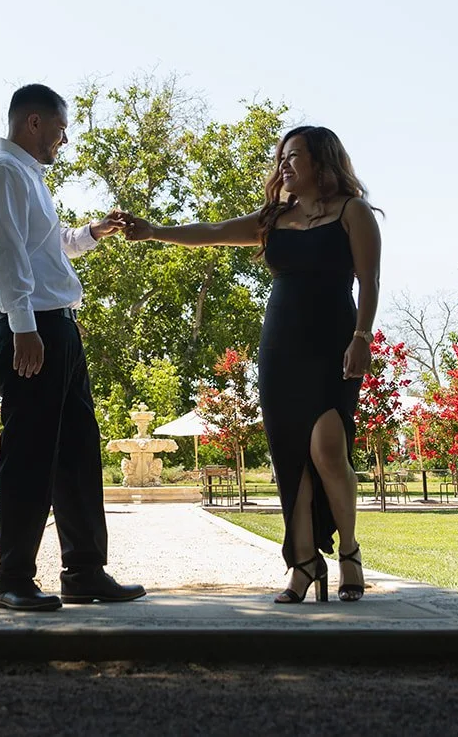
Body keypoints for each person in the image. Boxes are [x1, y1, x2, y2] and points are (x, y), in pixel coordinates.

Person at [117, 126, 380, 603]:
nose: (284, 165)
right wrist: (156, 231)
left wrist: (362, 337)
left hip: (333, 344)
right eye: (281, 156)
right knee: (289, 458)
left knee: (327, 449)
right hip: (280, 349)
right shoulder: (273, 219)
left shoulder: (353, 212)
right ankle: (302, 564)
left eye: (294, 156)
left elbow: (370, 281)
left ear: (322, 162)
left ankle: (350, 553)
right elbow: (214, 232)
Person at [0, 84, 146, 612]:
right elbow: (4, 253)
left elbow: (47, 247)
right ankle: (13, 579)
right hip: (34, 331)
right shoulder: (1, 173)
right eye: (61, 128)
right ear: (33, 122)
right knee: (28, 457)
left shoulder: (28, 177)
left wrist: (93, 233)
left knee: (76, 454)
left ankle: (85, 572)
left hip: (58, 328)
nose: (64, 140)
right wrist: (24, 327)